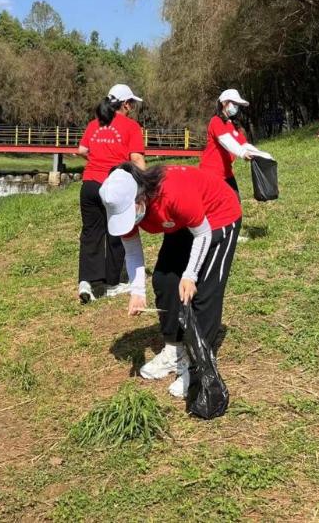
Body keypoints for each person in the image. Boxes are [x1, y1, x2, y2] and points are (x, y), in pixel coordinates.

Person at [99, 163, 242, 399]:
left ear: (141, 195)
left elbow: (203, 233)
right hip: (183, 222)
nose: (129, 220)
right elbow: (132, 251)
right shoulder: (120, 206)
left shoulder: (172, 193)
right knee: (164, 279)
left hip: (218, 217)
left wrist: (190, 275)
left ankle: (198, 365)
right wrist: (137, 291)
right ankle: (175, 351)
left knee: (205, 294)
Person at [75, 84, 147, 304]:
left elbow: (82, 150)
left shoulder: (94, 124)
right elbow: (136, 158)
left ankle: (87, 281)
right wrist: (144, 186)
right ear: (125, 104)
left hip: (89, 185)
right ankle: (112, 283)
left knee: (91, 232)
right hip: (114, 185)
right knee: (117, 231)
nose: (132, 107)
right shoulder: (131, 126)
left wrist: (97, 160)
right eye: (131, 103)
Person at [199, 89, 254, 198]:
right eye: (234, 103)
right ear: (224, 103)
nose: (236, 107)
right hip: (211, 174)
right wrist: (242, 153)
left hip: (227, 174)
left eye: (238, 105)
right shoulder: (215, 121)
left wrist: (261, 155)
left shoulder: (233, 125)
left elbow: (244, 144)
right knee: (214, 206)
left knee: (235, 203)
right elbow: (226, 140)